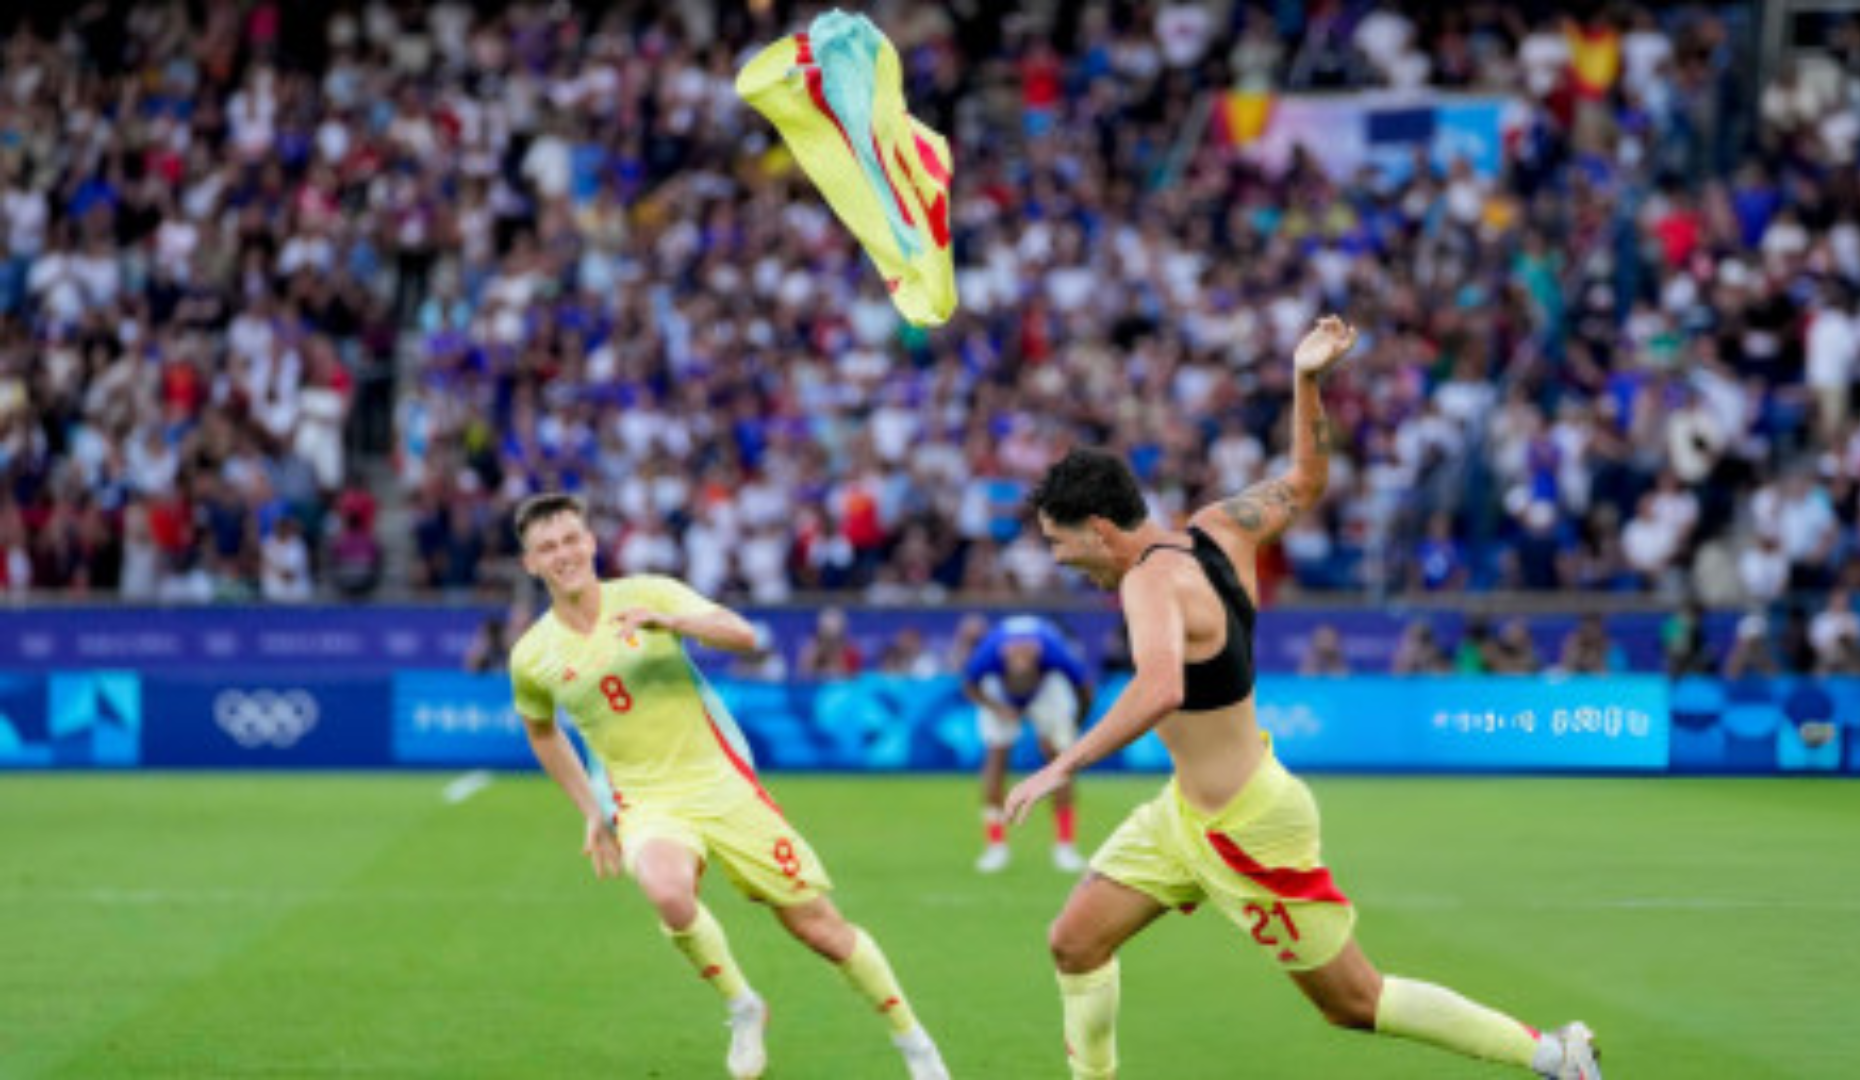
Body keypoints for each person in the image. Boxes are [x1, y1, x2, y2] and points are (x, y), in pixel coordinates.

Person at [1005, 317, 1601, 1080]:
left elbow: (1160, 687)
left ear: (1097, 527)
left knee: (1353, 1000)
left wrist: (1063, 765)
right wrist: (1307, 379)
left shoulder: (1150, 579)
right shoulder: (1218, 528)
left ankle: (1556, 1057)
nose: (1060, 560)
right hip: (1186, 814)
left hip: (1245, 827)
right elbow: (1308, 481)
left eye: (1060, 543)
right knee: (1075, 940)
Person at [506, 494, 949, 1080]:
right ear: (530, 563)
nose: (562, 554)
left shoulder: (650, 592)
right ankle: (743, 1006)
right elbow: (541, 732)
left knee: (820, 928)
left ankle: (915, 1045)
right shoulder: (532, 655)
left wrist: (676, 622)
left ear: (590, 543)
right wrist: (591, 809)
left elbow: (743, 635)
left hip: (720, 783)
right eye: (547, 547)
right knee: (667, 892)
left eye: (570, 540)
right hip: (646, 800)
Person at [960, 614, 1094, 874]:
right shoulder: (986, 658)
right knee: (996, 761)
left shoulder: (1056, 656)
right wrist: (998, 708)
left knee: (1062, 765)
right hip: (998, 694)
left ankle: (1065, 847)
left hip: (1047, 692)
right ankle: (995, 846)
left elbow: (1085, 690)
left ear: (1037, 666)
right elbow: (970, 687)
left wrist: (1074, 726)